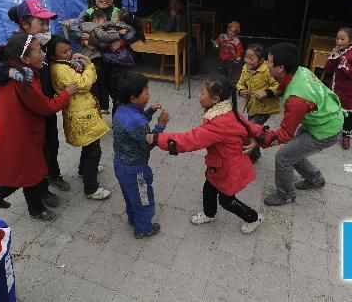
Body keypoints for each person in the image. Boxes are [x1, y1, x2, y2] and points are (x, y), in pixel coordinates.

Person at [148, 78, 265, 234]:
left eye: (202, 93)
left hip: (229, 168)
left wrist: (157, 138)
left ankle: (253, 218)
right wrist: (257, 136)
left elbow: (191, 139)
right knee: (209, 188)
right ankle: (209, 214)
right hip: (218, 165)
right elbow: (248, 126)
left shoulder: (218, 123)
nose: (199, 95)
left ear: (216, 99)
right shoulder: (227, 110)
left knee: (227, 200)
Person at [0, 33, 78, 221]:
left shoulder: (8, 69)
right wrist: (66, 93)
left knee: (23, 171)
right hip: (22, 133)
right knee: (30, 174)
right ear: (24, 58)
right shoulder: (24, 80)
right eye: (39, 51)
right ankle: (33, 209)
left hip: (11, 129)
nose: (43, 54)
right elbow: (46, 107)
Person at [0, 0, 71, 193]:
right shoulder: (12, 46)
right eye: (41, 23)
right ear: (25, 24)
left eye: (48, 22)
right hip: (31, 111)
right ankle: (38, 191)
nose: (46, 27)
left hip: (47, 104)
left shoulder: (46, 40)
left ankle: (53, 176)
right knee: (35, 153)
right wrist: (10, 73)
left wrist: (73, 58)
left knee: (51, 145)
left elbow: (62, 53)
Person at [246, 43, 344, 206]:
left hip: (326, 129)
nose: (266, 64)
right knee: (293, 151)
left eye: (269, 62)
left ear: (280, 67)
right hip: (324, 118)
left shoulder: (295, 100)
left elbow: (284, 135)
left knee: (283, 157)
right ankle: (315, 179)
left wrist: (259, 139)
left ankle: (286, 195)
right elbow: (283, 87)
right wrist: (270, 92)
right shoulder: (300, 71)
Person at [47, 36, 111, 200]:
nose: (69, 54)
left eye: (69, 50)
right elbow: (85, 84)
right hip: (80, 114)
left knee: (89, 144)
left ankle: (84, 170)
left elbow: (86, 81)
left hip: (82, 111)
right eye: (64, 52)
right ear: (53, 55)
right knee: (93, 150)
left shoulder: (63, 65)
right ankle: (91, 188)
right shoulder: (60, 69)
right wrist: (89, 64)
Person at [113, 72, 169, 238]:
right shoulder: (138, 123)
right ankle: (144, 229)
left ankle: (133, 219)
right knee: (143, 199)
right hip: (136, 169)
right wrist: (160, 126)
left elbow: (135, 123)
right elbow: (148, 144)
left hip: (119, 164)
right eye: (145, 92)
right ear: (133, 98)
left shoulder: (120, 110)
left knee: (130, 196)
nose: (148, 94)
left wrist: (150, 110)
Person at [70, 0, 120, 113]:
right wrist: (84, 40)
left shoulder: (118, 13)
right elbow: (73, 27)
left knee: (117, 91)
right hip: (96, 58)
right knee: (96, 87)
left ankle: (118, 123)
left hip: (114, 59)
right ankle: (98, 117)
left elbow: (130, 33)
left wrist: (121, 41)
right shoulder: (88, 12)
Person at [236, 43, 281, 163]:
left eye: (252, 58)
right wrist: (241, 90)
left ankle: (251, 156)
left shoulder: (267, 69)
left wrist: (266, 92)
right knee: (253, 130)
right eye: (246, 57)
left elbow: (278, 85)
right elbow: (240, 83)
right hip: (252, 106)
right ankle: (255, 153)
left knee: (250, 129)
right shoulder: (245, 68)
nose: (247, 61)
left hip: (265, 108)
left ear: (261, 60)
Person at [323, 27, 352, 150]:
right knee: (332, 111)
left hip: (349, 91)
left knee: (348, 115)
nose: (338, 41)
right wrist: (333, 58)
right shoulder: (337, 52)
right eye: (337, 38)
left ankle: (346, 136)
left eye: (342, 39)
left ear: (351, 41)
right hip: (335, 88)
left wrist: (345, 64)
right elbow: (328, 70)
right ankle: (328, 132)